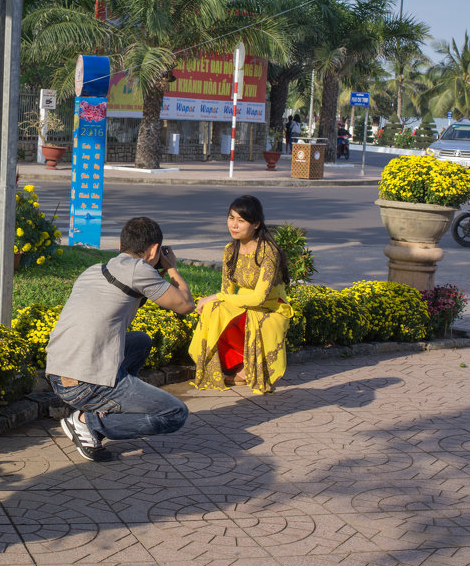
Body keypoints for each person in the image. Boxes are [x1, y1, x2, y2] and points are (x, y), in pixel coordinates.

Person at [46, 216, 195, 461]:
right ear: (155, 249)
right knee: (175, 414)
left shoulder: (94, 269)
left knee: (141, 342)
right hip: (85, 384)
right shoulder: (139, 271)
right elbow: (185, 305)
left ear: (120, 246)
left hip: (58, 373)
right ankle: (88, 422)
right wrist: (170, 267)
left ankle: (103, 408)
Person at [190, 195, 296, 395]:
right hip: (243, 303)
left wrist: (216, 297)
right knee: (212, 312)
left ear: (256, 224)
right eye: (231, 218)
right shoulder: (230, 249)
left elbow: (258, 299)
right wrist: (216, 300)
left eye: (241, 220)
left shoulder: (268, 252)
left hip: (271, 307)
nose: (234, 225)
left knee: (228, 310)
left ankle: (249, 368)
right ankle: (238, 365)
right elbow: (227, 291)